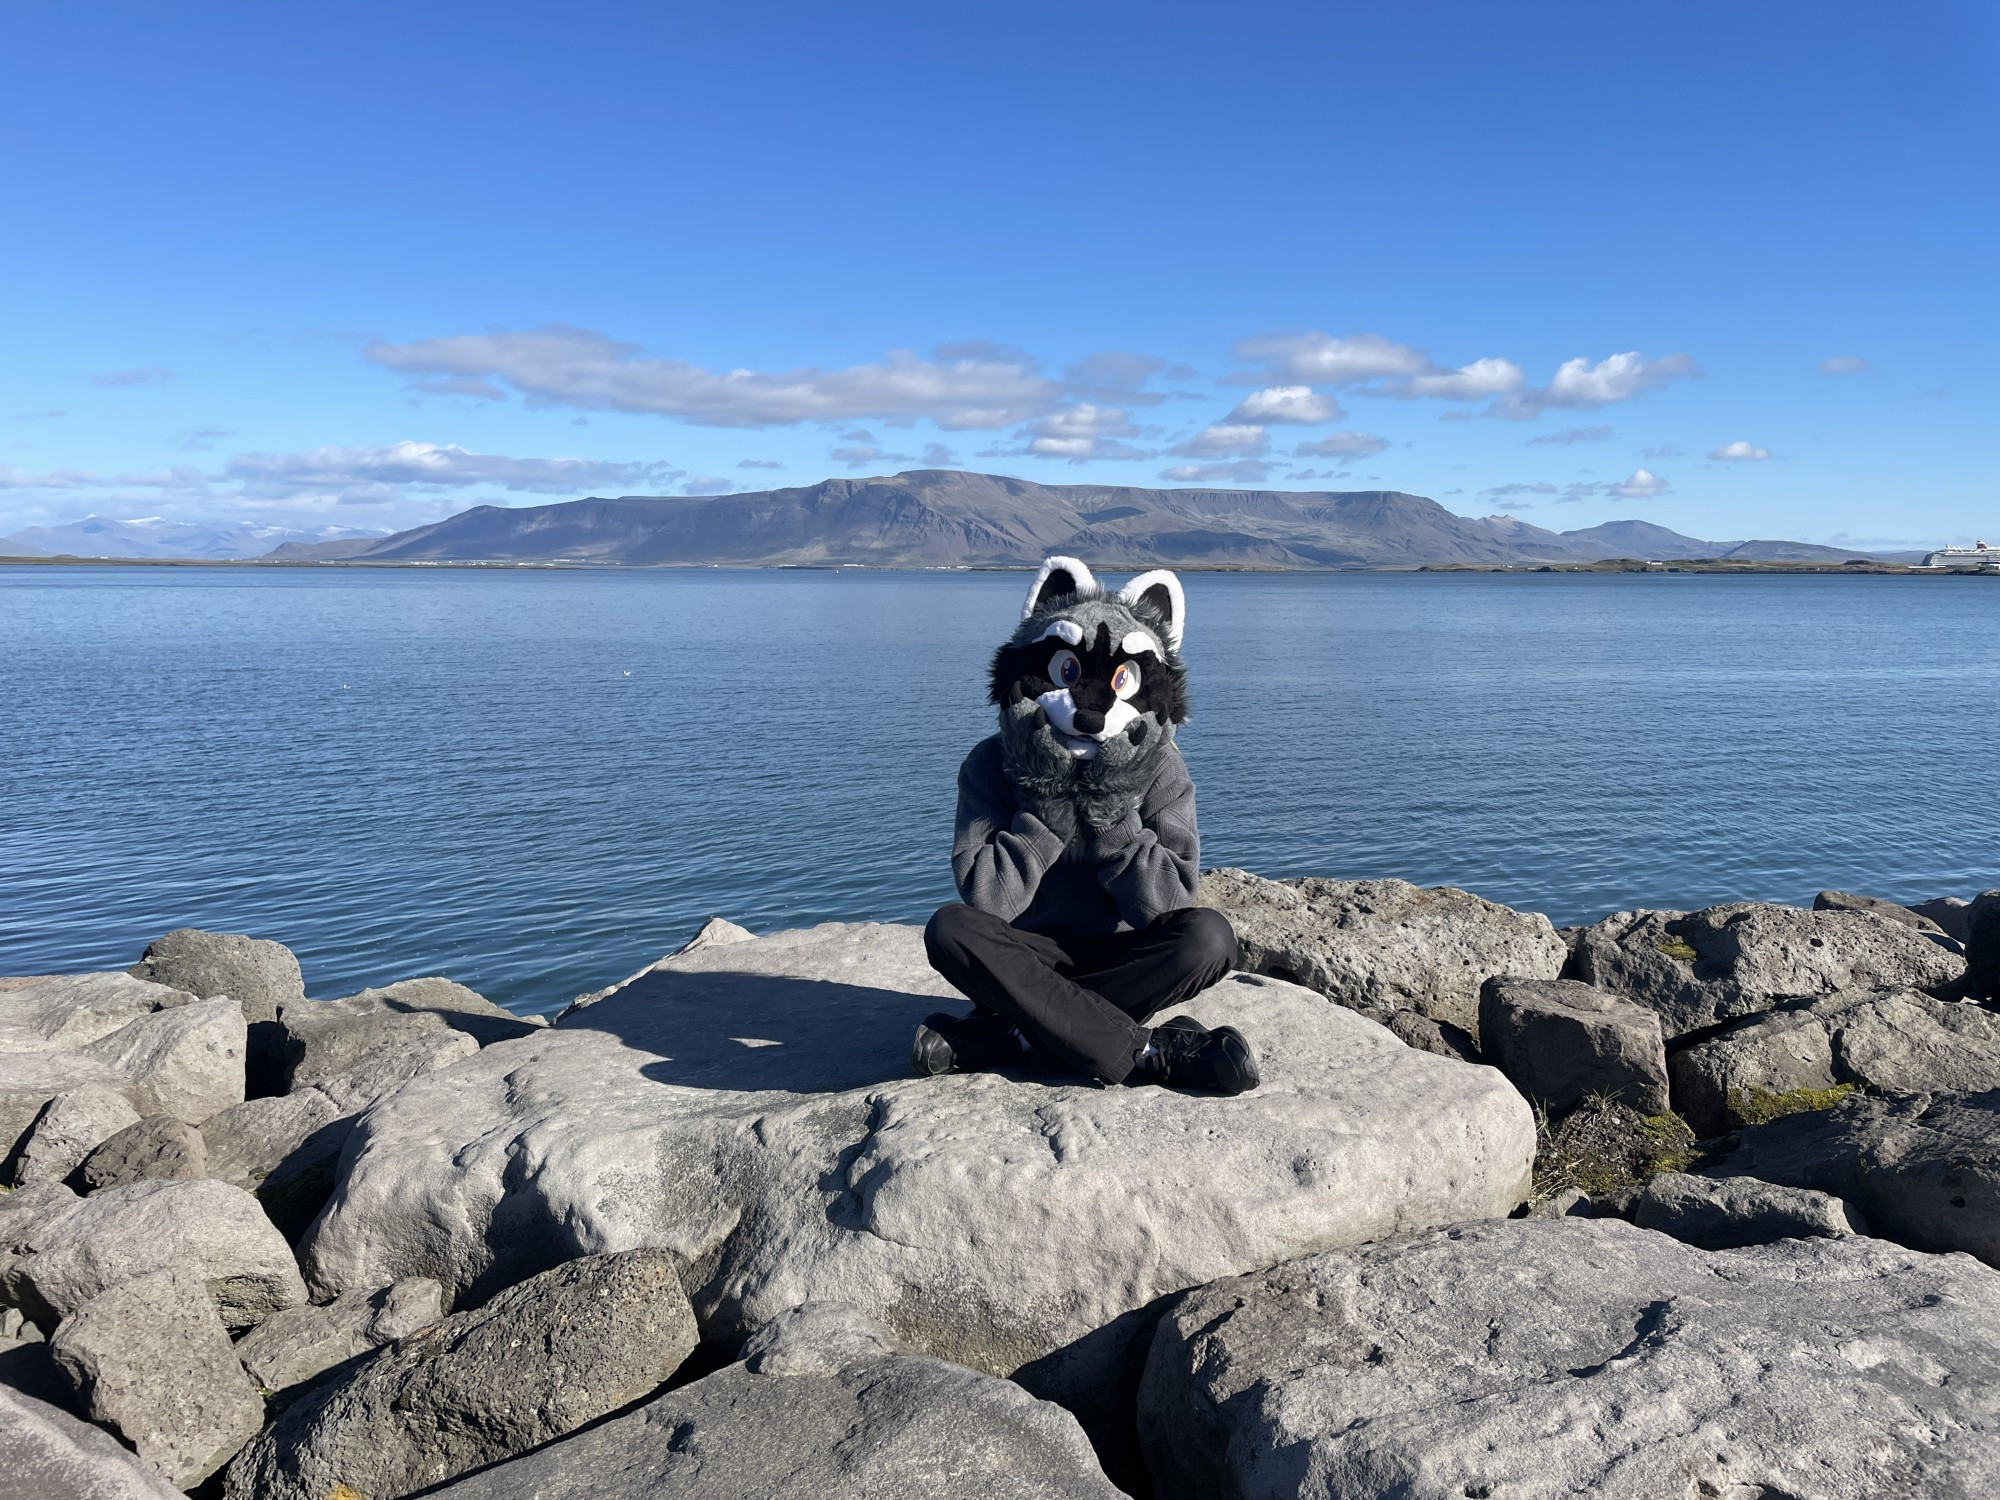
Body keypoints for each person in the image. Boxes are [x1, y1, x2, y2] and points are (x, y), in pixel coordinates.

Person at [916, 556, 1258, 1093]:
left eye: (1120, 681)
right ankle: (1147, 1050)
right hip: (1023, 954)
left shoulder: (1163, 769)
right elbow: (988, 901)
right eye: (1067, 673)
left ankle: (1018, 1032)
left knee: (1210, 937)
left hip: (1121, 959)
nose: (1090, 704)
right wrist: (1046, 807)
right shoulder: (991, 762)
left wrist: (1110, 813)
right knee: (950, 930)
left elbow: (1165, 905)